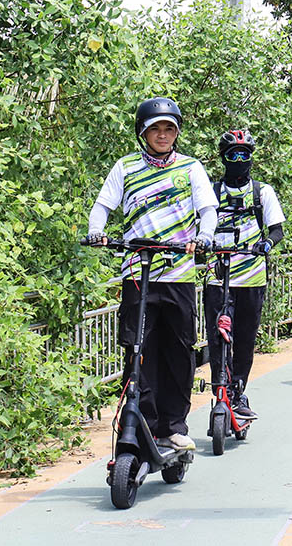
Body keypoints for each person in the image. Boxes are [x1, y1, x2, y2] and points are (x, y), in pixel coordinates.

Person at [86, 97, 218, 452]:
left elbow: (208, 210)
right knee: (138, 349)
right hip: (137, 273)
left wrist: (204, 236)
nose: (162, 135)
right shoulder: (125, 167)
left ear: (177, 132)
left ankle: (173, 425)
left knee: (178, 351)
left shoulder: (190, 168)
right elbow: (102, 206)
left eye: (169, 129)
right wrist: (97, 231)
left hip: (178, 274)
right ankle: (140, 421)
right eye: (155, 129)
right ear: (143, 132)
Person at [204, 130, 285, 420]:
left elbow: (277, 229)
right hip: (217, 276)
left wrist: (267, 243)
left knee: (245, 338)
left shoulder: (262, 192)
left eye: (244, 155)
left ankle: (238, 391)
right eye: (232, 155)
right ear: (223, 159)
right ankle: (220, 391)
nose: (238, 160)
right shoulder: (211, 192)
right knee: (217, 337)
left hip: (251, 277)